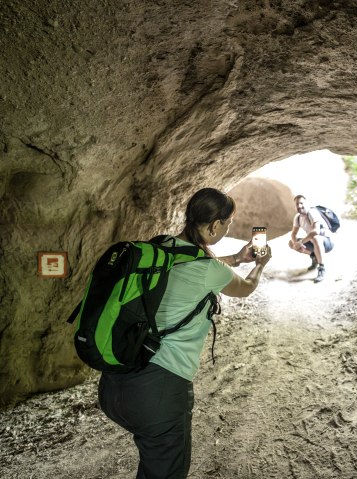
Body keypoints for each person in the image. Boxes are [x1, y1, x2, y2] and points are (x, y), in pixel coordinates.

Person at [98, 187, 271, 479]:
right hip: (158, 392)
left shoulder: (159, 245)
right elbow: (246, 287)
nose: (225, 229)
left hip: (115, 382)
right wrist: (260, 265)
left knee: (153, 461)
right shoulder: (208, 269)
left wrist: (235, 259)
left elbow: (192, 266)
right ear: (215, 225)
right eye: (226, 225)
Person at [288, 194, 334, 283]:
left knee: (315, 238)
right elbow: (293, 233)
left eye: (301, 203)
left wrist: (300, 242)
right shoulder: (297, 217)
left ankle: (321, 268)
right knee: (291, 243)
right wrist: (296, 243)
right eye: (297, 204)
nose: (299, 206)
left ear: (306, 203)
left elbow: (316, 231)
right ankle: (314, 256)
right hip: (314, 242)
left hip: (327, 242)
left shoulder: (312, 212)